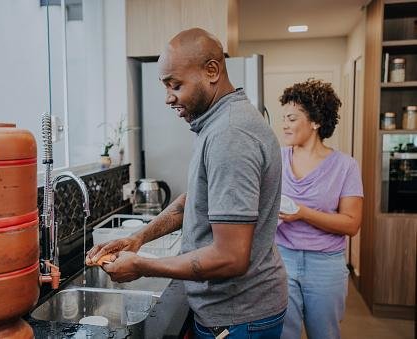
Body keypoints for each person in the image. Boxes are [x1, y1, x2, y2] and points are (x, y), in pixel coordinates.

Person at [86, 28, 287, 338]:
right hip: (233, 312)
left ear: (211, 71)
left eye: (175, 85)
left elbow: (230, 257)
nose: (168, 98)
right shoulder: (217, 124)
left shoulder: (230, 135)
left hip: (239, 318)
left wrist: (142, 266)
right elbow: (190, 204)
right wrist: (137, 239)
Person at [276, 79, 363, 339]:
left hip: (325, 266)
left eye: (291, 118)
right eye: (283, 118)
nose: (284, 125)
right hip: (281, 259)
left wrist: (302, 213)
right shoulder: (276, 159)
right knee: (283, 335)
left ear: (315, 122)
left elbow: (351, 224)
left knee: (324, 335)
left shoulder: (345, 166)